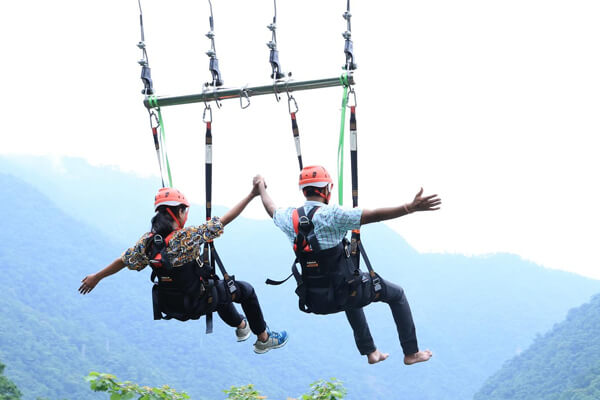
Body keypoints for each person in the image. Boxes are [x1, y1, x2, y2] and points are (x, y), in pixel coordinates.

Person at [254, 166, 441, 365]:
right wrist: (408, 208)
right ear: (327, 189)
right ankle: (411, 353)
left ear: (303, 190)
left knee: (350, 283)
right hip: (344, 292)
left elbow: (271, 208)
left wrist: (261, 188)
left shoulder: (289, 218)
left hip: (316, 300)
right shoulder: (334, 215)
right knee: (396, 294)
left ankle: (371, 352)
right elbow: (375, 215)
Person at [79, 183, 288, 354]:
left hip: (173, 306)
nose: (186, 215)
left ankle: (242, 327)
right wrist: (252, 194)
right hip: (198, 301)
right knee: (245, 291)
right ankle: (264, 339)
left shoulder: (148, 243)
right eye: (184, 211)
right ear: (178, 211)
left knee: (220, 291)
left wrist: (96, 277)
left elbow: (123, 261)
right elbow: (224, 220)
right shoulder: (186, 238)